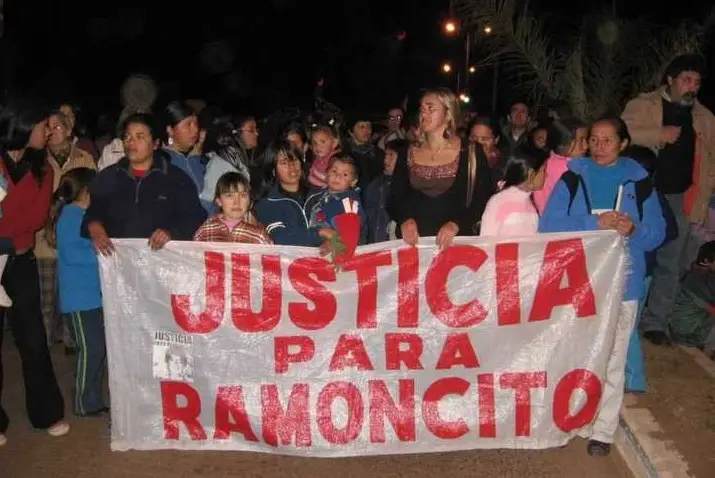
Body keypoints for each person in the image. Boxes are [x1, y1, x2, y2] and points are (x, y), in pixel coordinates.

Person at [0, 98, 69, 446]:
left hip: (21, 262)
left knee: (33, 339)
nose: (50, 132)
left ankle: (47, 413)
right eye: (45, 126)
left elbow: (35, 219)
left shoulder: (44, 170)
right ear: (25, 126)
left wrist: (7, 232)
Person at [45, 168, 108, 417]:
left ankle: (92, 399)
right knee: (91, 350)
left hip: (91, 297)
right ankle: (84, 402)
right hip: (79, 299)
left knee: (96, 349)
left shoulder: (83, 215)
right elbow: (73, 255)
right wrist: (103, 253)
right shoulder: (71, 216)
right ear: (86, 190)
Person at [480, 146, 549, 236]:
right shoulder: (499, 201)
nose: (546, 174)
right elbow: (486, 239)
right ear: (531, 174)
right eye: (543, 170)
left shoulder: (530, 204)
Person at [194, 172, 272, 244]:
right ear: (219, 201)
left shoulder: (260, 235)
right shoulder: (205, 232)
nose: (236, 202)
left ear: (250, 201)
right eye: (229, 195)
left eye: (243, 195)